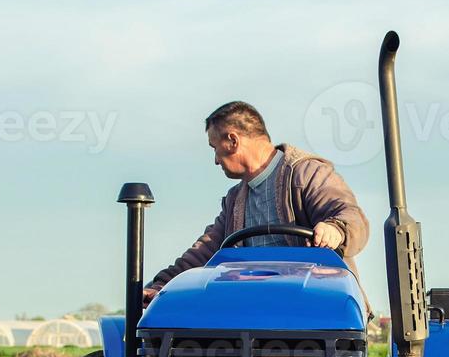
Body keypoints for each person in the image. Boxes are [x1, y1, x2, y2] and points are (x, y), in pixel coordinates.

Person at [143, 101, 370, 300]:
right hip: (255, 311)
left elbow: (351, 216)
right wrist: (162, 285)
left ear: (232, 140)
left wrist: (335, 228)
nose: (215, 160)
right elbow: (206, 249)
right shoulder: (235, 200)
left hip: (313, 305)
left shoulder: (306, 173)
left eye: (215, 148)